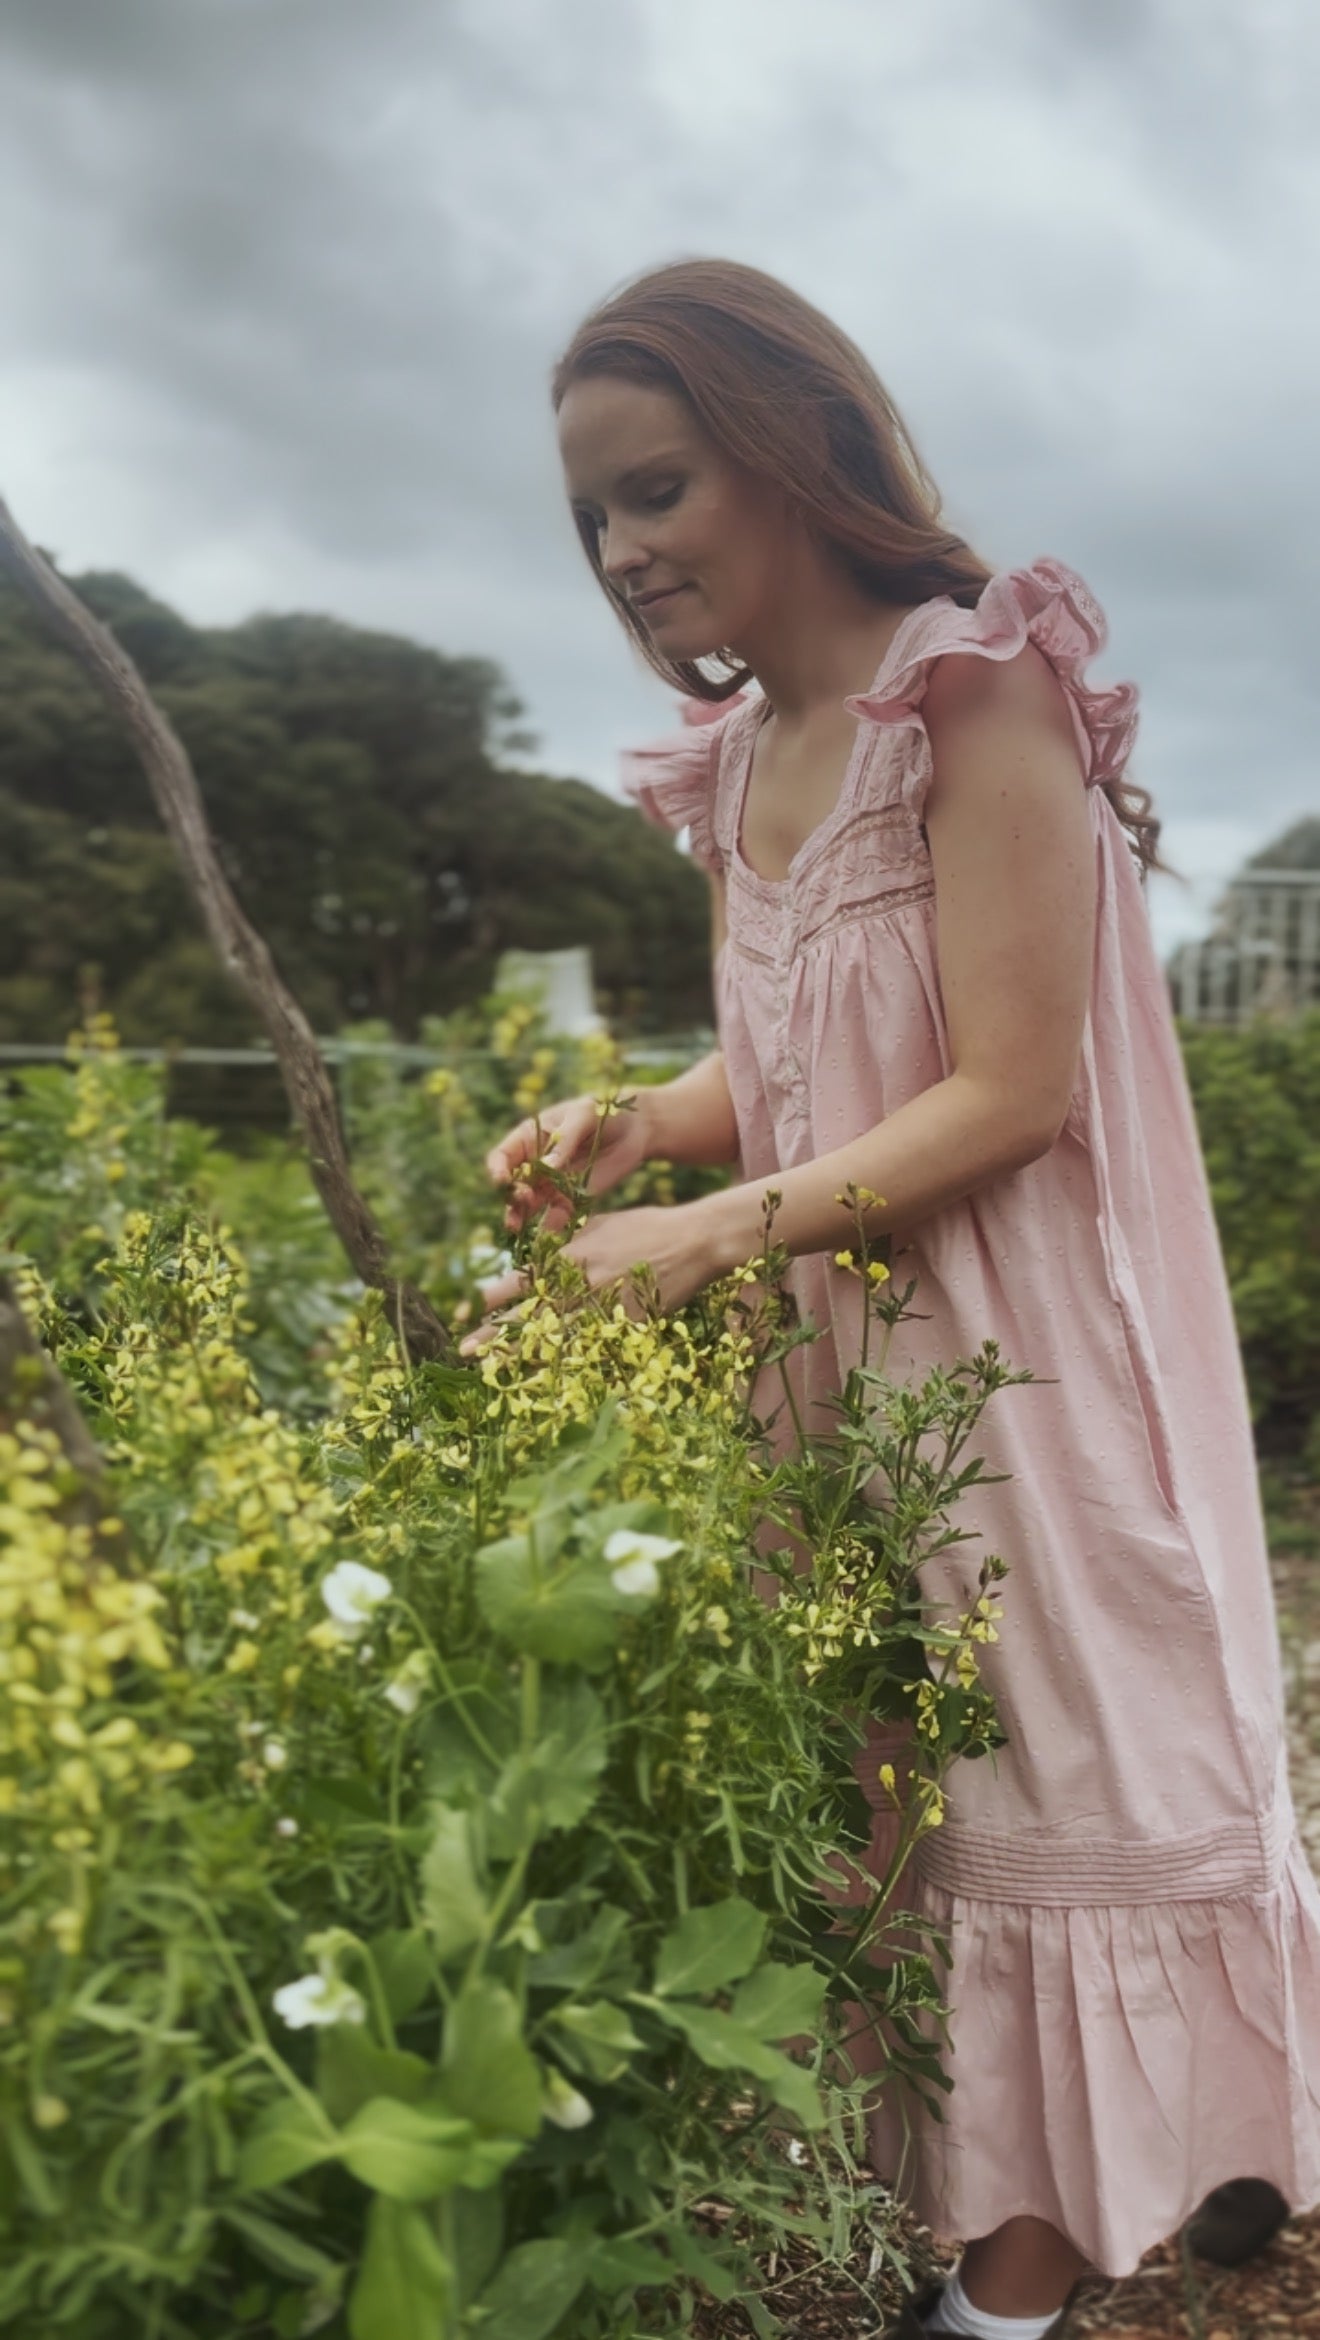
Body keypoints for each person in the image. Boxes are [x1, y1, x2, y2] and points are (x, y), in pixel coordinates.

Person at [470, 258, 1320, 2338]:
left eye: (658, 487)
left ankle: (1006, 2306)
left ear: (794, 452)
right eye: (592, 513)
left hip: (1019, 1370)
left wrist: (705, 1237)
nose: (624, 548)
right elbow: (792, 1052)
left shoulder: (973, 693)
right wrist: (639, 1126)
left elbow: (1011, 1090)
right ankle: (1105, 2190)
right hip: (844, 1365)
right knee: (897, 1798)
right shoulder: (745, 757)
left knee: (1057, 1783)